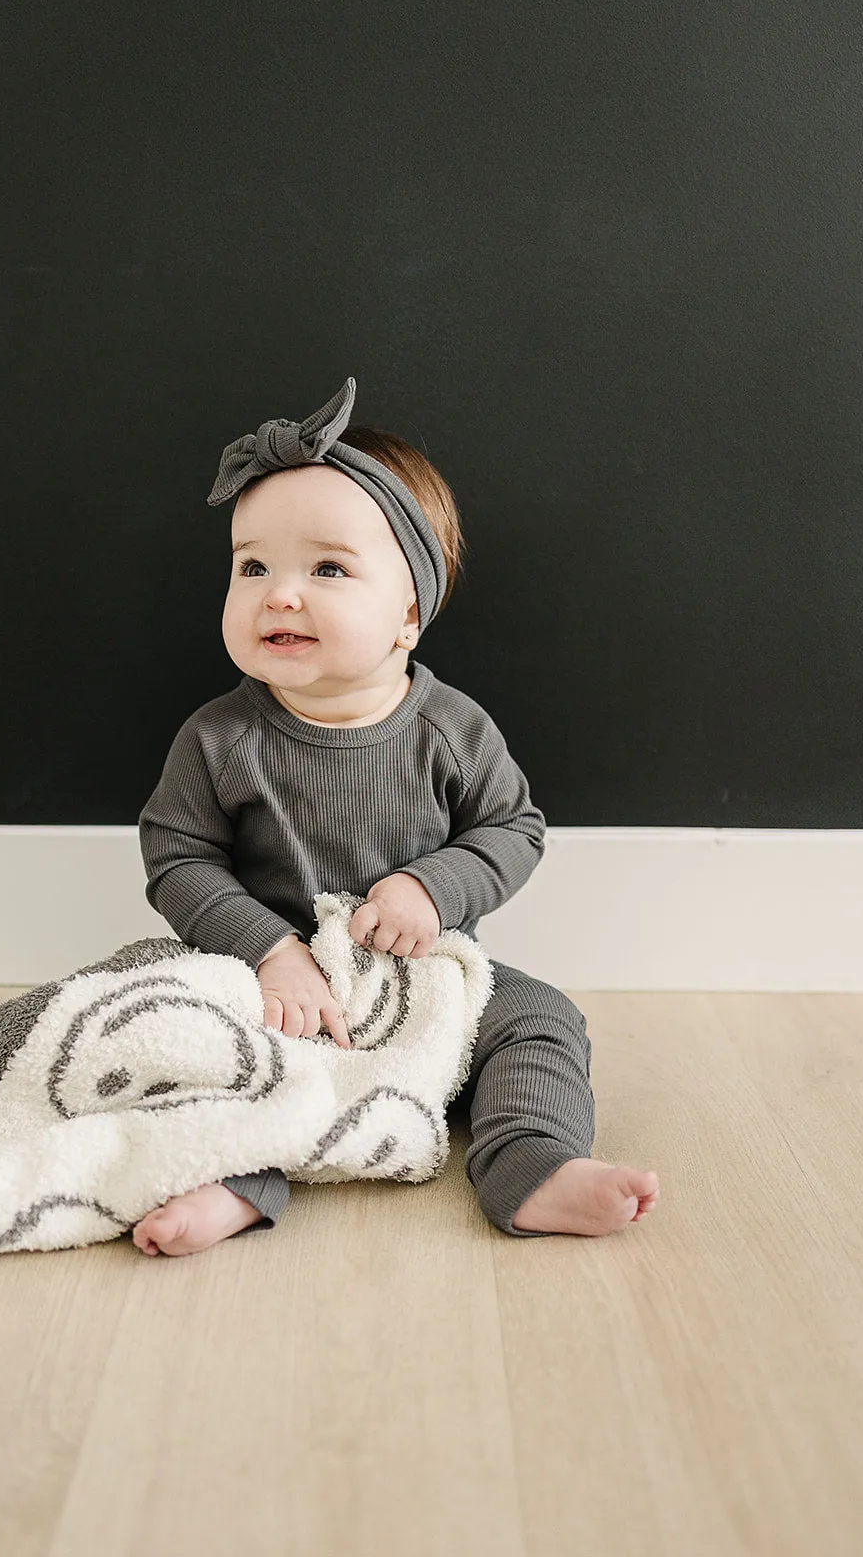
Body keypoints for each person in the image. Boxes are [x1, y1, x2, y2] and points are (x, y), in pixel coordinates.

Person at [133, 378, 660, 1257]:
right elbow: (177, 860)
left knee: (540, 1020)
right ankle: (231, 1181)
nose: (280, 594)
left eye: (327, 569)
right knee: (197, 1043)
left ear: (408, 612)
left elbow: (512, 828)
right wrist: (268, 951)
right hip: (272, 983)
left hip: (422, 982)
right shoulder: (220, 737)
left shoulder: (450, 730)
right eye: (252, 565)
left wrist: (430, 886)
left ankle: (528, 1161)